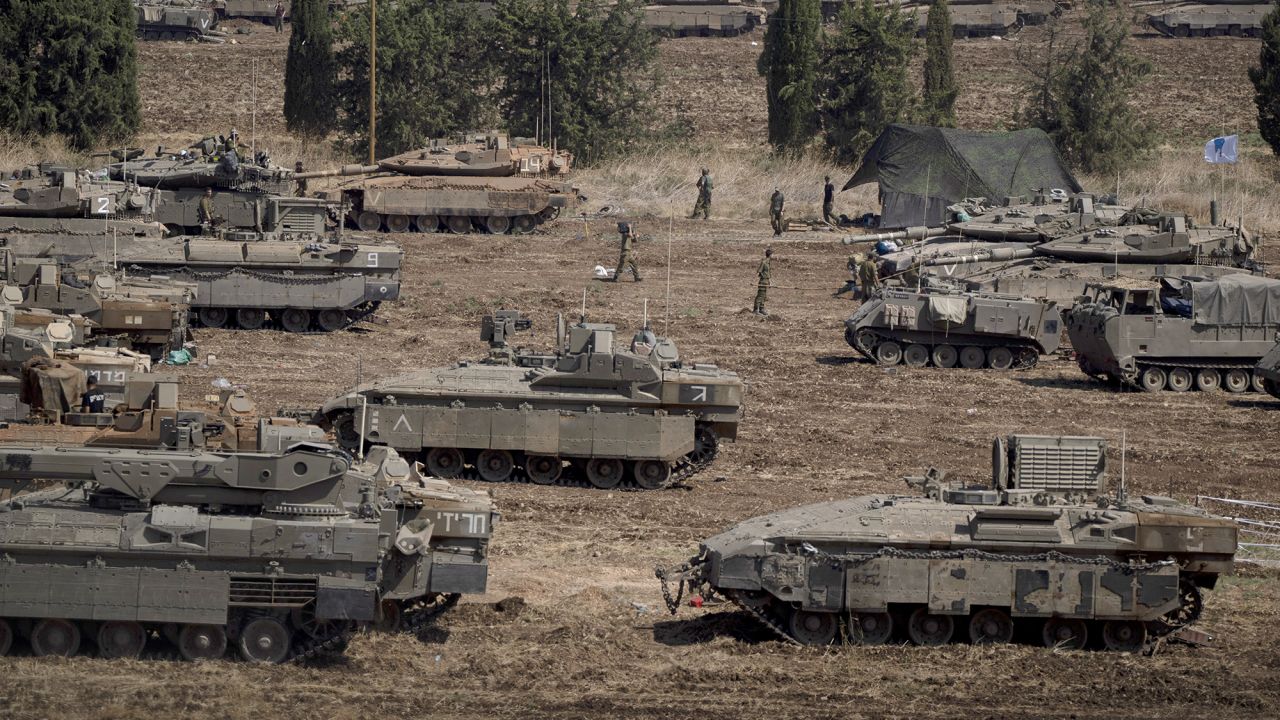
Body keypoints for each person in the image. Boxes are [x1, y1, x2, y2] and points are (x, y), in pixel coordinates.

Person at [753, 247, 773, 315]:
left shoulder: (768, 263)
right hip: (762, 281)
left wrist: (770, 282)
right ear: (770, 255)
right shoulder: (764, 262)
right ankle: (756, 309)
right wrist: (753, 281)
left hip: (766, 281)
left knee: (764, 296)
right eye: (772, 254)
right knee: (760, 296)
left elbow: (768, 273)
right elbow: (758, 271)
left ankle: (761, 308)